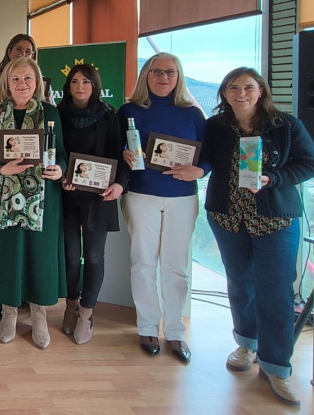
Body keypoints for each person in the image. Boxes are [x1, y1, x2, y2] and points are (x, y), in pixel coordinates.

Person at [202, 68, 314, 405]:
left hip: (275, 219)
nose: (241, 93)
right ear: (224, 93)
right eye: (233, 88)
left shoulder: (285, 125)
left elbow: (309, 162)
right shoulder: (216, 126)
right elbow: (205, 159)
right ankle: (246, 343)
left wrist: (274, 179)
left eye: (248, 87)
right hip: (227, 217)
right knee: (239, 282)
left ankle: (277, 366)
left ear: (260, 91)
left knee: (277, 291)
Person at [117, 52, 207, 363]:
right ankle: (147, 327)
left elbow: (209, 155)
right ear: (146, 75)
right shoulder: (128, 110)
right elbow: (115, 147)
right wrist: (124, 154)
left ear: (178, 76)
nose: (163, 77)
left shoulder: (193, 114)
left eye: (170, 72)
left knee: (176, 266)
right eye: (157, 71)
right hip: (142, 193)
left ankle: (176, 331)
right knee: (143, 262)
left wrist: (201, 170)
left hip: (183, 196)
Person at [0, 56, 66, 348]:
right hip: (3, 196)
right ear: (6, 83)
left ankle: (39, 315)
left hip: (42, 199)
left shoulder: (50, 112)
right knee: (7, 256)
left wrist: (60, 168)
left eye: (27, 78)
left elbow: (61, 151)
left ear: (37, 82)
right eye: (15, 79)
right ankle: (9, 313)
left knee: (40, 256)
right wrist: (0, 168)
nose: (22, 84)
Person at [57, 63, 128, 345]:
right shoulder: (59, 114)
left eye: (86, 82)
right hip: (68, 193)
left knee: (95, 256)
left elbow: (121, 154)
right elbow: (54, 154)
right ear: (68, 86)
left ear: (95, 85)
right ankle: (71, 306)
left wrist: (119, 185)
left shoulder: (109, 115)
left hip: (100, 197)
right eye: (74, 82)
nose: (80, 87)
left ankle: (87, 313)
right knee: (71, 255)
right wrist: (62, 178)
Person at [0, 34, 53, 102]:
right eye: (19, 49)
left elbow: (51, 106)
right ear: (9, 52)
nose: (23, 54)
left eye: (28, 52)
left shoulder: (42, 82)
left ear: (32, 57)